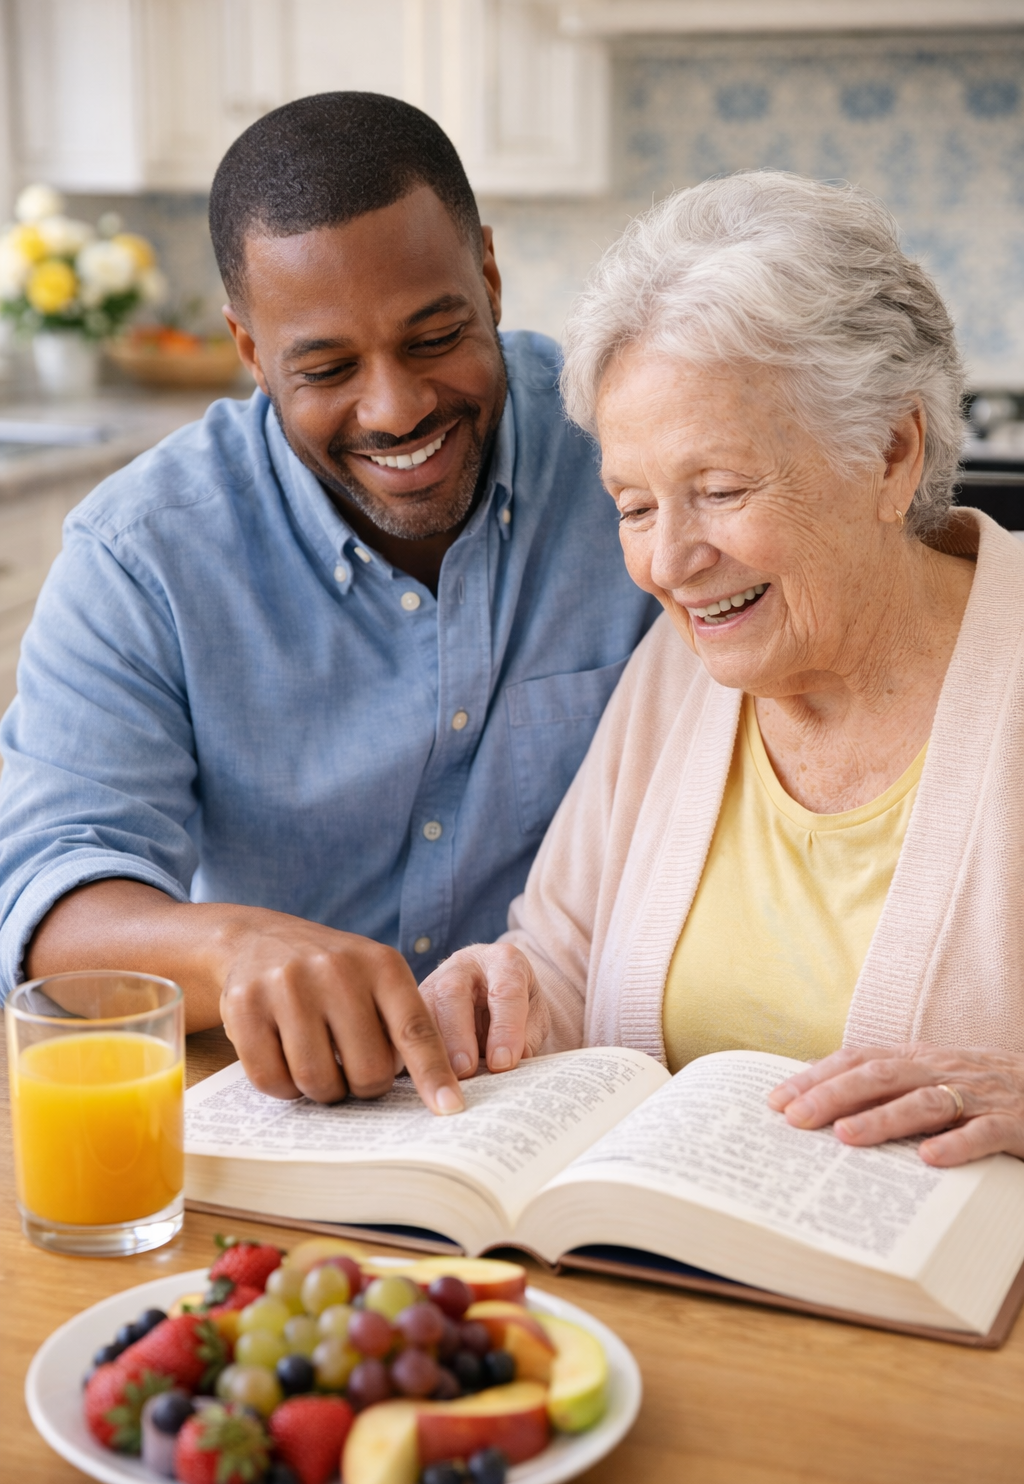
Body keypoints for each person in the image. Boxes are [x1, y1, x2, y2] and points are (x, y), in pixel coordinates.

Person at [0, 93, 658, 1114]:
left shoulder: (634, 449)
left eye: (435, 336)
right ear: (250, 349)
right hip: (289, 1118)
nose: (396, 408)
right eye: (328, 368)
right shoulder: (140, 556)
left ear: (487, 273)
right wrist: (233, 948)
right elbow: (47, 902)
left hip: (588, 1092)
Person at [421, 171, 1024, 1167]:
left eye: (719, 489)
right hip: (679, 1298)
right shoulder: (679, 668)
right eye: (633, 504)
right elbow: (563, 960)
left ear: (888, 452)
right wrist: (501, 991)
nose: (665, 563)